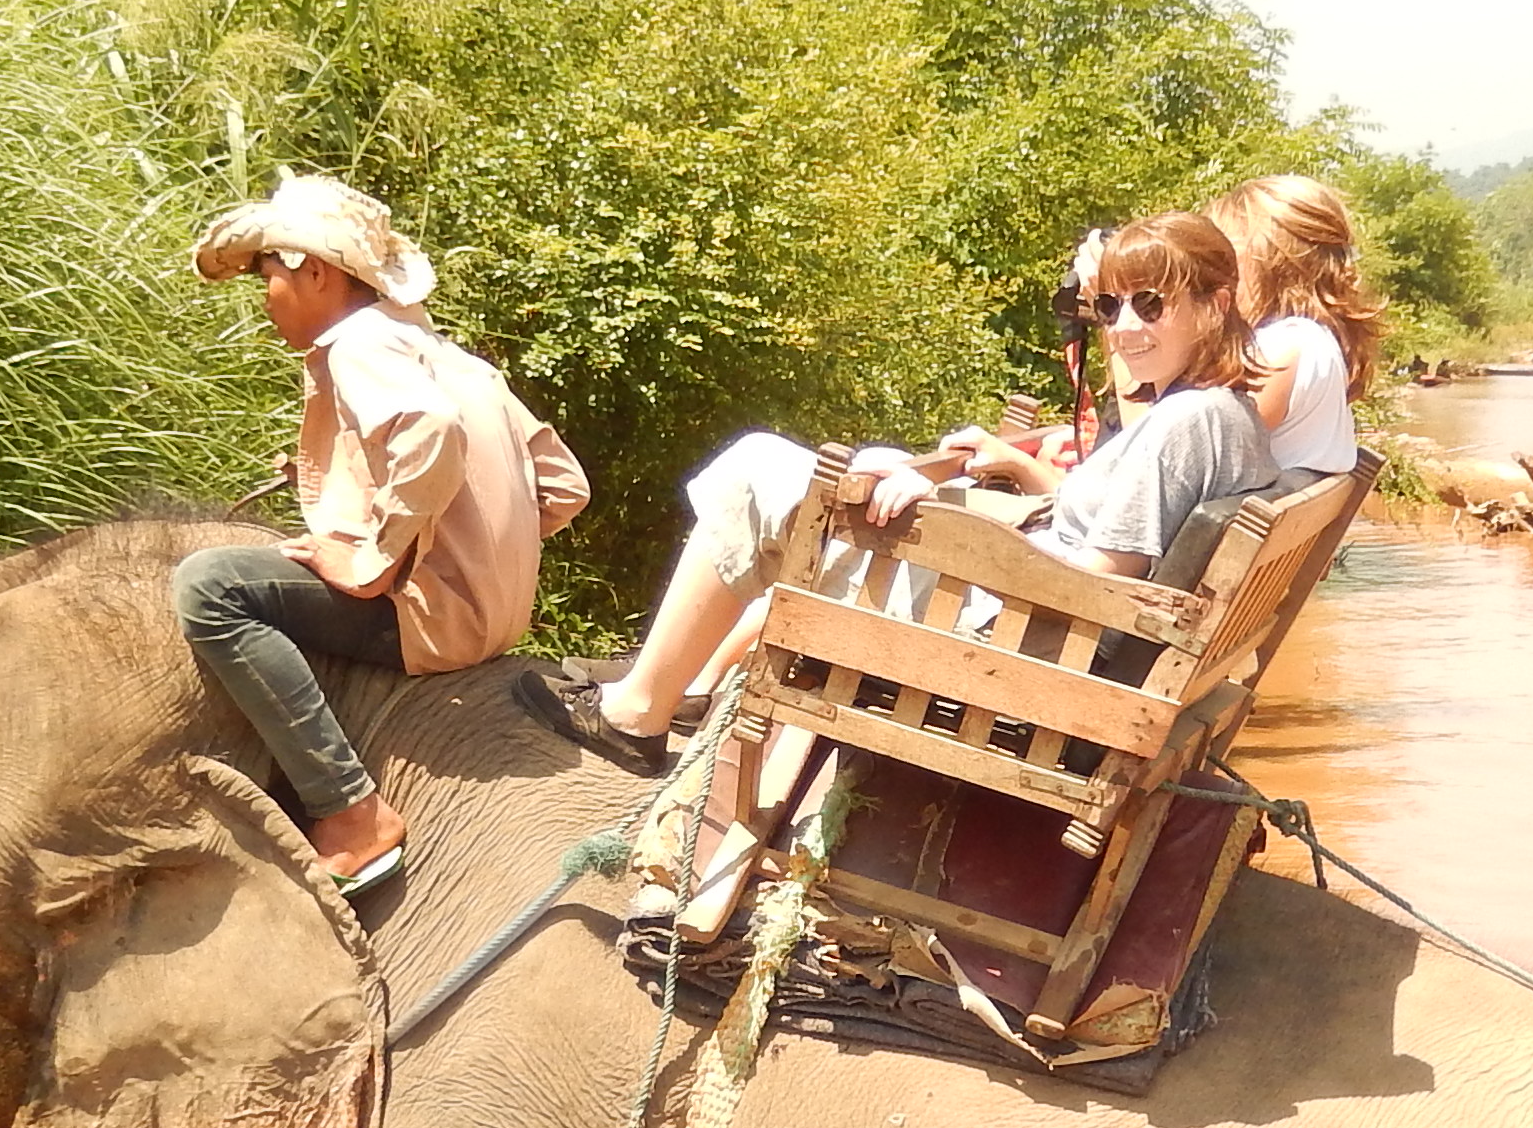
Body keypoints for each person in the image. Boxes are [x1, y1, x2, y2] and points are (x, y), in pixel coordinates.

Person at [536, 209, 1280, 766]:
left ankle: (640, 710)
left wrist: (938, 522)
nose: (1124, 327)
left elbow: (1103, 577)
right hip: (1044, 629)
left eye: (1151, 303)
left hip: (1013, 642)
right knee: (879, 462)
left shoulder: (1187, 422)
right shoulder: (1225, 413)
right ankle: (689, 677)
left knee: (756, 467)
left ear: (1215, 304)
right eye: (1110, 306)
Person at [174, 174, 588, 891]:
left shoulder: (357, 344)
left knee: (209, 587)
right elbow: (563, 487)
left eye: (268, 278)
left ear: (314, 271)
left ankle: (349, 812)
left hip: (431, 621)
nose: (267, 298)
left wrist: (373, 563)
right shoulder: (450, 356)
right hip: (496, 621)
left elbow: (429, 430)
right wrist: (474, 547)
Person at [1209, 170, 1381, 477]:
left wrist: (1124, 341)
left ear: (1271, 261)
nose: (1210, 272)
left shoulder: (1280, 351)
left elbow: (1176, 466)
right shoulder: (1317, 341)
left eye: (1223, 255)